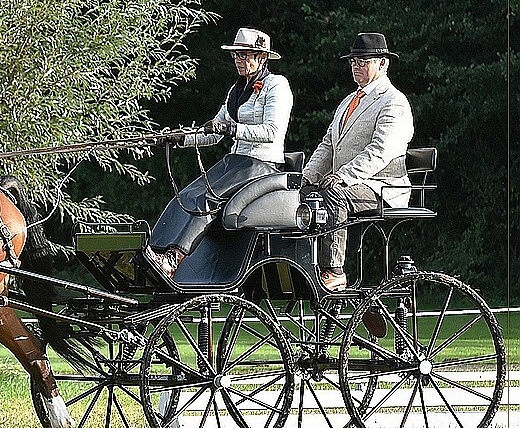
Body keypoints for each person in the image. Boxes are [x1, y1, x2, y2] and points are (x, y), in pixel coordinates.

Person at [149, 27, 293, 277]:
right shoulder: (235, 91)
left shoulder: (277, 86)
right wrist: (180, 138)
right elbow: (214, 133)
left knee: (208, 198)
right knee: (187, 195)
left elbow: (271, 131)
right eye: (236, 55)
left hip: (262, 163)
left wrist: (232, 128)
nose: (239, 60)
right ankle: (154, 250)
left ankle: (174, 259)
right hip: (235, 161)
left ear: (262, 57)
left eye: (245, 55)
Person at [302, 32, 414, 292]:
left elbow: (380, 151)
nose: (356, 66)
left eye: (364, 61)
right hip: (348, 183)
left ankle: (335, 270)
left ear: (382, 63)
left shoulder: (394, 102)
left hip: (383, 187)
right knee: (303, 196)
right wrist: (306, 178)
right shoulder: (347, 102)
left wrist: (344, 176)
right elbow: (328, 145)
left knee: (334, 193)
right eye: (353, 61)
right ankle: (308, 266)